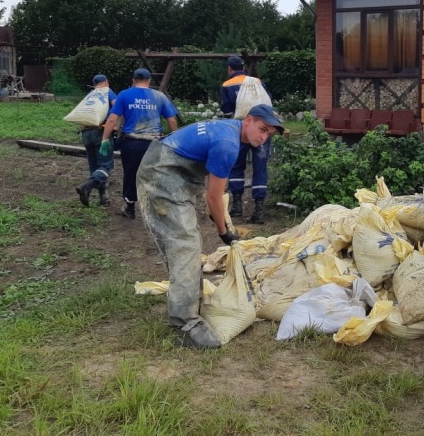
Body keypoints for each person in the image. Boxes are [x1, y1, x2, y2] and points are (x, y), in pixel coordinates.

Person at [136, 104, 284, 348]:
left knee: (186, 244)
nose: (263, 136)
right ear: (248, 120)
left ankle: (189, 305)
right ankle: (185, 325)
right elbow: (214, 197)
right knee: (184, 245)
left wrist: (219, 220)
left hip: (168, 170)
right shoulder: (227, 144)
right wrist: (224, 232)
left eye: (268, 133)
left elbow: (213, 194)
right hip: (161, 175)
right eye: (262, 129)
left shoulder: (229, 130)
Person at [100, 68, 179, 219]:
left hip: (131, 144)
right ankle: (156, 210)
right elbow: (172, 120)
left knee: (131, 175)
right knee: (155, 174)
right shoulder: (159, 96)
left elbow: (112, 119)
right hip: (154, 144)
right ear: (149, 81)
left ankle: (130, 209)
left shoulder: (124, 94)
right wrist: (175, 139)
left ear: (133, 80)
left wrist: (105, 139)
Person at [220, 55, 273, 223]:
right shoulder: (258, 82)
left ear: (229, 68)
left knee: (236, 166)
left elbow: (227, 111)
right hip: (262, 129)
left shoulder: (227, 85)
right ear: (243, 66)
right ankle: (259, 210)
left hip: (240, 130)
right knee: (260, 168)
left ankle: (236, 206)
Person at [75, 74, 117, 207]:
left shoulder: (90, 95)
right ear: (106, 82)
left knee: (95, 167)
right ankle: (87, 187)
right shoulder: (107, 91)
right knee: (106, 166)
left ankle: (102, 197)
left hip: (85, 133)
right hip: (100, 132)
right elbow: (116, 107)